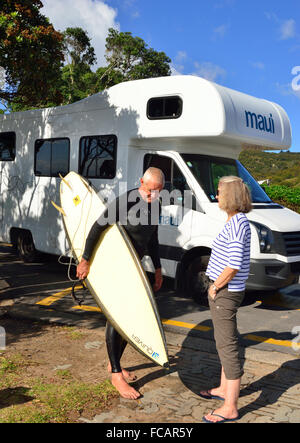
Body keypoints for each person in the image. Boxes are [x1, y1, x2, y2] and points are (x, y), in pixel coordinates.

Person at [76, 167, 164, 400]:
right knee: (119, 317)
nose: (150, 195)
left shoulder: (156, 205)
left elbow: (152, 238)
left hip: (135, 269)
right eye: (147, 189)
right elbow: (97, 227)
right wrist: (85, 260)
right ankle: (116, 374)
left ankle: (113, 363)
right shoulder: (126, 201)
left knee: (131, 317)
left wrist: (157, 267)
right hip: (117, 266)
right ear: (140, 182)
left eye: (155, 191)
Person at [201, 176, 252, 423]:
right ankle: (223, 390)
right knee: (224, 342)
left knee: (228, 346)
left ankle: (230, 407)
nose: (217, 195)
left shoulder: (236, 224)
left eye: (220, 191)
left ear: (230, 195)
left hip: (226, 292)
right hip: (228, 291)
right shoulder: (237, 221)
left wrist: (215, 286)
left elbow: (232, 265)